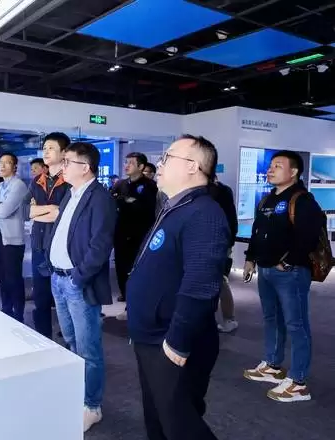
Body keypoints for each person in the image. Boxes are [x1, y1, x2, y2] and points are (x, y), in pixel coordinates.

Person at [127, 135, 229, 440]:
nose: (158, 164)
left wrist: (177, 342)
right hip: (152, 334)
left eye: (167, 157)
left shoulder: (204, 213)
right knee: (158, 420)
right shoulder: (176, 206)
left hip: (171, 340)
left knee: (182, 426)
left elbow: (200, 286)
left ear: (192, 166)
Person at [243, 150, 323, 403]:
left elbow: (309, 237)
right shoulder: (267, 200)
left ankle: (298, 382)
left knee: (296, 324)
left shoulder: (302, 199)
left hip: (291, 272)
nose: (270, 169)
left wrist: (288, 262)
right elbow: (257, 231)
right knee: (271, 318)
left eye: (278, 166)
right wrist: (250, 258)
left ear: (294, 172)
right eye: (270, 165)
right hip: (265, 270)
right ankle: (272, 365)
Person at [47, 142, 117, 432]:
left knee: (88, 349)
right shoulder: (71, 193)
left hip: (77, 282)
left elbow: (100, 245)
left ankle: (92, 405)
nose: (62, 166)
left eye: (67, 162)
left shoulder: (100, 198)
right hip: (58, 279)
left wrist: (78, 277)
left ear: (85, 167)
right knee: (72, 342)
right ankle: (78, 393)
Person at [28, 132, 71, 338]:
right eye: (44, 148)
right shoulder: (37, 181)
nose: (46, 152)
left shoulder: (70, 181)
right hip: (39, 245)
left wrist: (40, 212)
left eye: (51, 148)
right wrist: (50, 209)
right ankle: (43, 338)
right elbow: (26, 211)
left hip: (62, 247)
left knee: (65, 297)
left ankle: (70, 340)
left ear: (64, 153)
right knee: (41, 297)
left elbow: (62, 215)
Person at [0, 153, 29, 322]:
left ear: (15, 166)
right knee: (2, 276)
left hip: (13, 239)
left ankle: (18, 314)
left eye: (7, 163)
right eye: (0, 163)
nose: (2, 166)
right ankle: (6, 309)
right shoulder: (0, 186)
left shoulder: (19, 185)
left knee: (13, 278)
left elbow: (4, 212)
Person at [112, 152, 158, 309]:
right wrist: (127, 201)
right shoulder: (120, 184)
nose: (126, 165)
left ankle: (135, 301)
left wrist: (126, 201)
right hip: (120, 232)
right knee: (120, 266)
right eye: (126, 162)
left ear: (141, 166)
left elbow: (146, 208)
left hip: (140, 234)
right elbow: (112, 202)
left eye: (131, 163)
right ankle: (125, 295)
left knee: (136, 268)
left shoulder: (150, 186)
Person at [208, 174, 239, 333]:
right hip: (205, 243)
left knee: (220, 281)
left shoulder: (221, 192)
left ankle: (229, 318)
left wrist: (228, 244)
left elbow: (231, 220)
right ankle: (209, 319)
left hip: (218, 243)